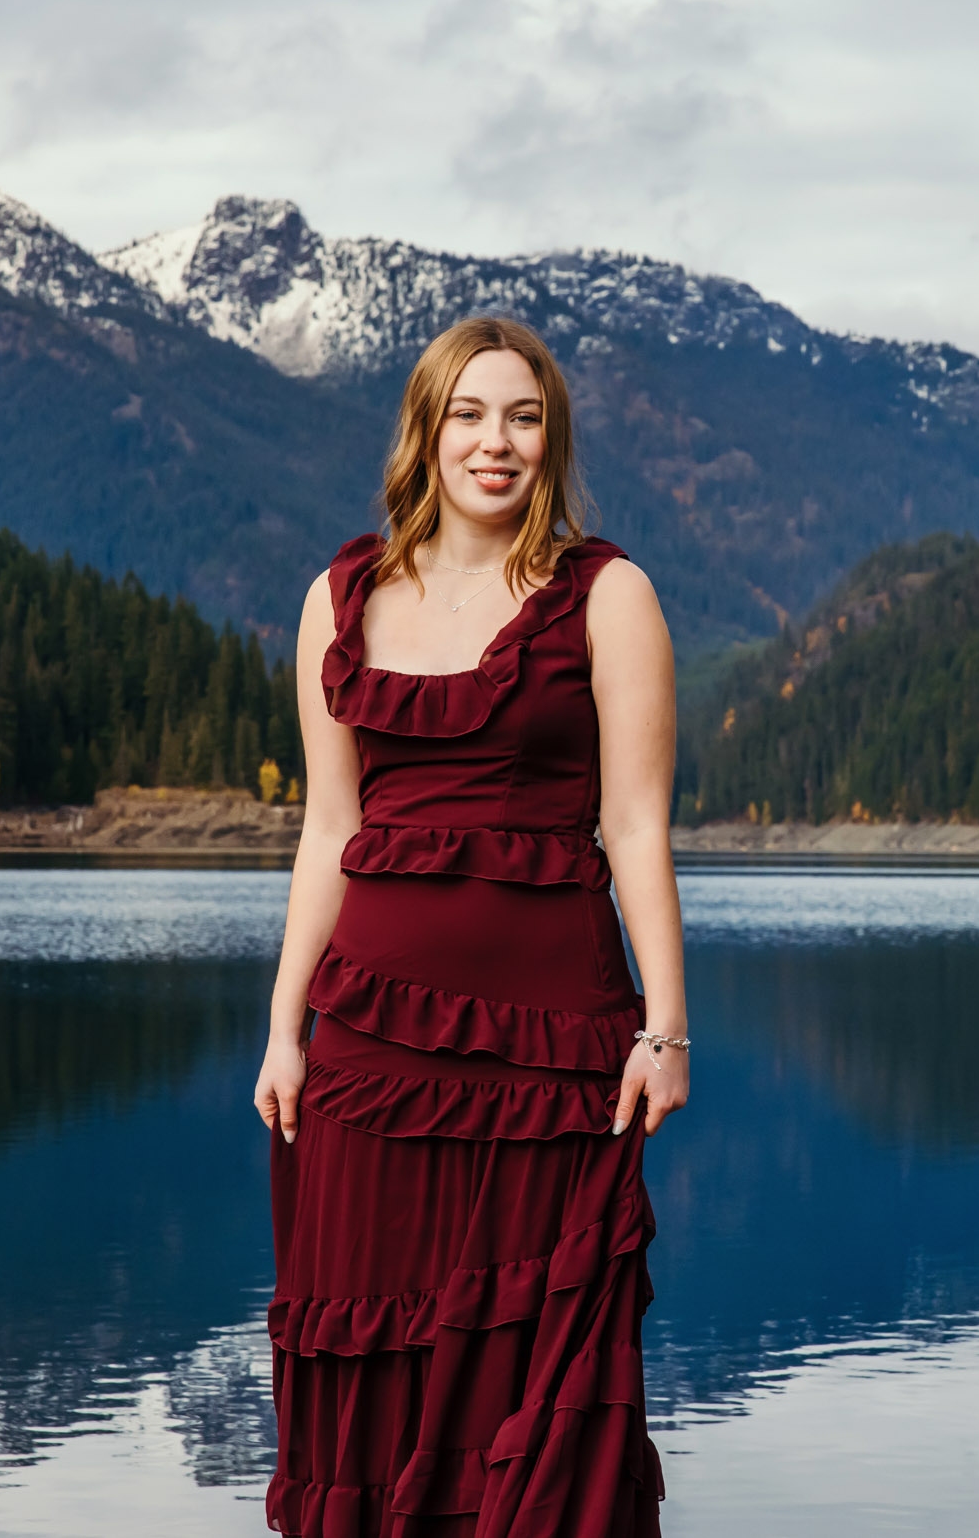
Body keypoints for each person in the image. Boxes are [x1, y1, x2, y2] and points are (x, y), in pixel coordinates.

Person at [253, 315, 689, 1536]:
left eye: (524, 417)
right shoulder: (338, 598)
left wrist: (666, 1030)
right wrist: (284, 1030)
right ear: (425, 432)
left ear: (552, 441)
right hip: (366, 1063)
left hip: (556, 1061)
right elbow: (329, 829)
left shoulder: (607, 597)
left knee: (542, 1377)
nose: (495, 443)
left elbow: (636, 827)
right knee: (374, 1363)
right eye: (469, 416)